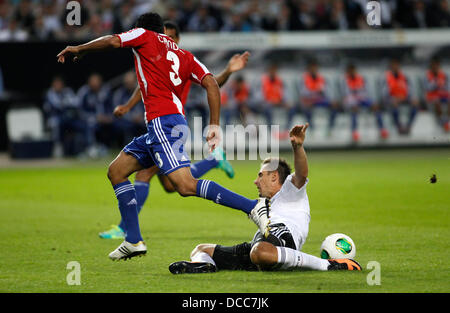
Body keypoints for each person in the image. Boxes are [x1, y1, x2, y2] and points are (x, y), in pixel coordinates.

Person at [57, 12, 270, 261]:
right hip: (166, 125)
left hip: (163, 122)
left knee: (185, 186)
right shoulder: (183, 55)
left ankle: (253, 206)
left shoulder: (144, 35)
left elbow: (113, 41)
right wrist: (214, 126)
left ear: (140, 28)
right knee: (116, 171)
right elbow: (212, 83)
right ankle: (133, 240)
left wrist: (79, 48)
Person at [99, 21, 250, 240]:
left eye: (167, 36)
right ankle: (214, 161)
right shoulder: (156, 61)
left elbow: (212, 83)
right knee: (172, 185)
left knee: (146, 174)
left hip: (170, 126)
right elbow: (143, 86)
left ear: (176, 40)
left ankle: (126, 230)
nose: (161, 40)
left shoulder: (180, 61)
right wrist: (128, 106)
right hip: (160, 125)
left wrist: (228, 70)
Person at [168, 124, 362, 274]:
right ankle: (204, 267)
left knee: (259, 252)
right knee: (201, 250)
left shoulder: (290, 191)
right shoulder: (263, 205)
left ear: (274, 176)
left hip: (282, 239)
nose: (255, 181)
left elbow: (301, 174)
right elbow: (236, 201)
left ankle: (328, 265)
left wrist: (297, 147)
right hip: (262, 244)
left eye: (260, 175)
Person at [341, 63, 389, 142]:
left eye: (353, 70)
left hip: (362, 100)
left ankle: (382, 130)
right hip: (350, 102)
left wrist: (369, 102)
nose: (352, 72)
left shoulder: (362, 79)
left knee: (375, 107)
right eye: (350, 71)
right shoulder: (345, 80)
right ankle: (354, 132)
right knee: (354, 110)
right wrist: (353, 102)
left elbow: (366, 92)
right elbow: (346, 95)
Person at [292, 59, 339, 135]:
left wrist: (330, 100)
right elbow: (303, 93)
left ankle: (330, 128)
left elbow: (326, 91)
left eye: (315, 68)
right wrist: (316, 92)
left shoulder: (321, 78)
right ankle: (311, 129)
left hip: (319, 100)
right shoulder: (304, 79)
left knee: (334, 106)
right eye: (312, 68)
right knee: (306, 108)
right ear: (309, 69)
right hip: (309, 101)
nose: (314, 70)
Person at [382, 58, 419, 135]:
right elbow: (384, 93)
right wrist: (392, 98)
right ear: (391, 66)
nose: (395, 67)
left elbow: (410, 90)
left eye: (396, 65)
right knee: (394, 107)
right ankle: (399, 127)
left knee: (415, 105)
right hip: (392, 99)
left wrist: (412, 98)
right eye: (393, 65)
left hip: (403, 98)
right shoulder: (386, 78)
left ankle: (408, 126)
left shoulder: (404, 77)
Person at [423, 57, 449, 132]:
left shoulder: (444, 75)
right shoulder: (427, 76)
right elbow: (427, 87)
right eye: (433, 66)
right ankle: (442, 122)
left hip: (442, 96)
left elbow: (447, 87)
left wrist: (442, 86)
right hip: (431, 98)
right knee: (437, 102)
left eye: (436, 65)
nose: (435, 67)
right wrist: (435, 83)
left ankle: (446, 121)